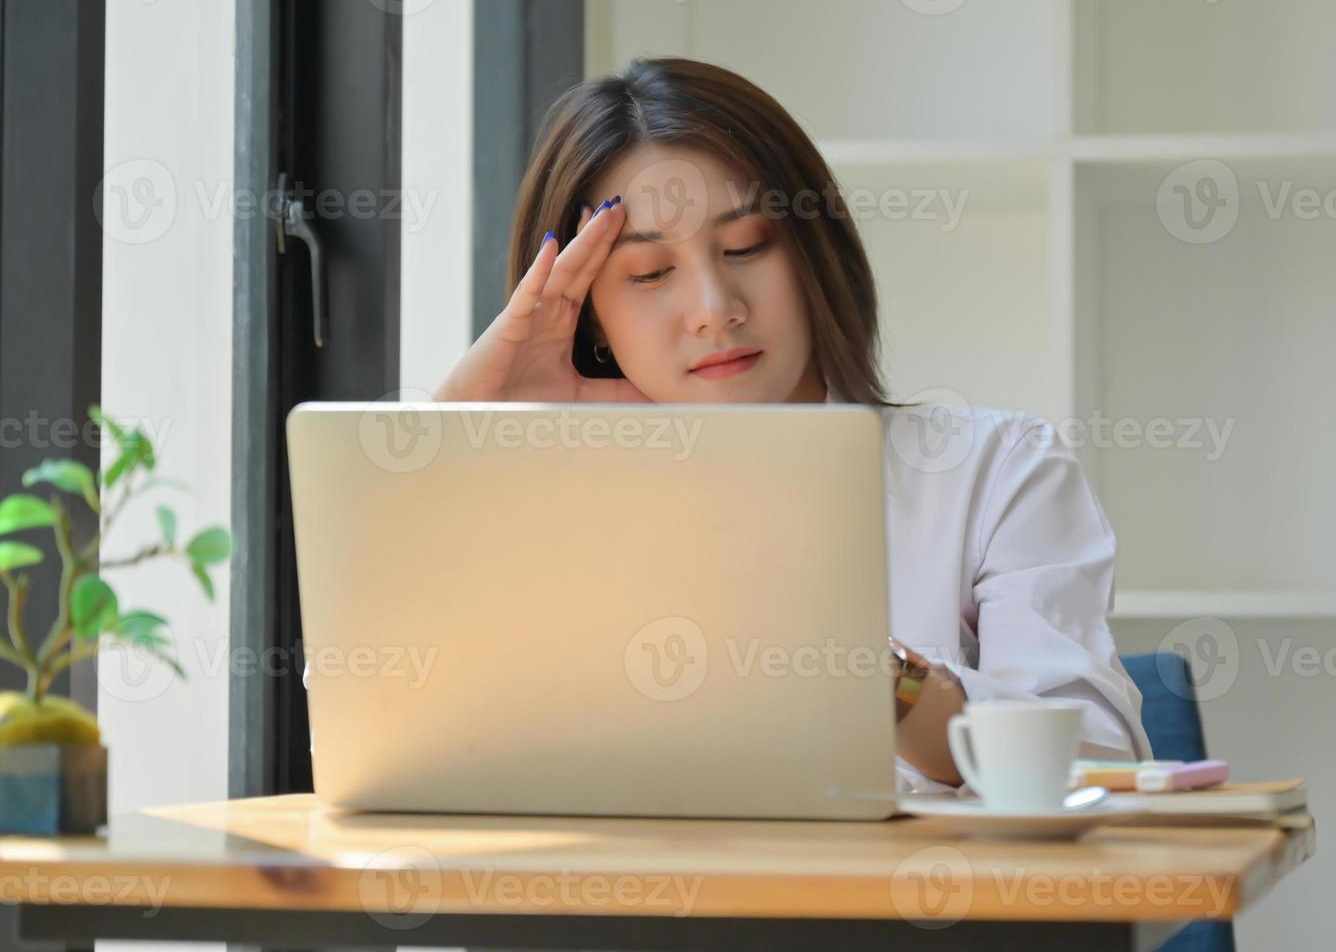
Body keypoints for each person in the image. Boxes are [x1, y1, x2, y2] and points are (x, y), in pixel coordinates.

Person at [313, 56, 1150, 794]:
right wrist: (468, 433)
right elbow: (375, 733)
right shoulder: (541, 504)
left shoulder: (990, 470)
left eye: (747, 245)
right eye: (647, 273)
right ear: (591, 319)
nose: (715, 310)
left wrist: (862, 668)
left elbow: (1093, 764)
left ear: (815, 250)